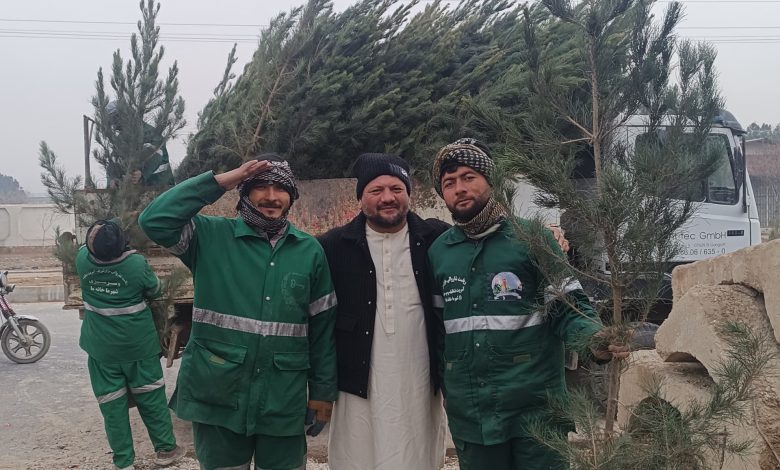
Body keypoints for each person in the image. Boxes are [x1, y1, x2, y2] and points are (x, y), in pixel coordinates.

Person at [427, 138, 629, 470]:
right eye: (449, 183)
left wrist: (595, 339)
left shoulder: (533, 239)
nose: (460, 188)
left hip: (536, 409)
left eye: (469, 177)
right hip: (473, 415)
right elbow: (437, 332)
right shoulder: (439, 254)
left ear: (490, 181)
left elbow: (568, 307)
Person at [138, 156, 338, 470]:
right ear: (243, 193)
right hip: (217, 393)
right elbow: (155, 220)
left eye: (280, 188)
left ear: (291, 197)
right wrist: (221, 181)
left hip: (282, 398)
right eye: (261, 186)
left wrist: (323, 393)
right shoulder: (208, 237)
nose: (271, 196)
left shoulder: (309, 250)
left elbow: (323, 328)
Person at [318, 153, 449, 470]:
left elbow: (486, 236)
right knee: (357, 452)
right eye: (376, 191)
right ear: (361, 197)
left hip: (419, 375)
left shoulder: (437, 238)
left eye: (396, 188)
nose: (388, 198)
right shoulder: (333, 245)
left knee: (418, 450)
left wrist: (550, 234)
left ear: (408, 193)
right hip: (357, 377)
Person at [76, 219, 184, 470]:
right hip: (138, 347)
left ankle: (123, 462)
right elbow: (155, 290)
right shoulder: (135, 264)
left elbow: (83, 251)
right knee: (151, 398)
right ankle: (166, 451)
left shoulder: (82, 259)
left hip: (101, 350)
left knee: (112, 406)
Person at [105, 100, 175, 188]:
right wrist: (112, 180)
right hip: (137, 191)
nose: (115, 126)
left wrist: (142, 173)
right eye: (112, 122)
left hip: (160, 186)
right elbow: (113, 162)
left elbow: (156, 154)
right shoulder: (120, 139)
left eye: (115, 120)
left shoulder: (149, 132)